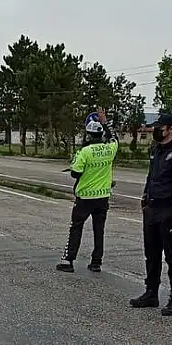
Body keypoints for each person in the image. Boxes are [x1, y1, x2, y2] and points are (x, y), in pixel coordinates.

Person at [130, 113, 172, 316]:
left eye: (160, 127)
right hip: (153, 209)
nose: (157, 130)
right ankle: (151, 292)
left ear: (170, 129)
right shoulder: (156, 150)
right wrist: (145, 198)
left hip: (170, 211)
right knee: (152, 254)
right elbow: (151, 177)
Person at [57, 114, 119, 272]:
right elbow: (114, 138)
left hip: (85, 198)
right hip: (103, 197)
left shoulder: (84, 151)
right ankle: (96, 262)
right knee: (99, 230)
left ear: (88, 134)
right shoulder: (110, 149)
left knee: (76, 227)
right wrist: (106, 124)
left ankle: (68, 260)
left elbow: (75, 173)